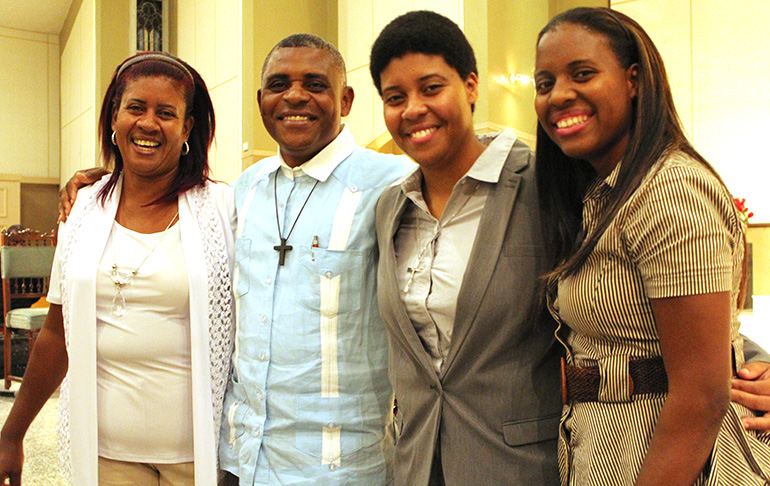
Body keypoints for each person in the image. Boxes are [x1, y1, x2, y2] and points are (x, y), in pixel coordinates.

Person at [534, 7, 770, 485]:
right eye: (544, 83)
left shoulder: (671, 189)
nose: (559, 95)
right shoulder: (600, 194)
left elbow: (701, 393)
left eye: (582, 74)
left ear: (634, 80)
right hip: (608, 453)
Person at [0, 52, 235, 486]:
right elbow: (56, 332)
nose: (149, 123)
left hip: (199, 454)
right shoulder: (83, 208)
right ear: (113, 117)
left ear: (186, 128)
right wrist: (11, 434)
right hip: (105, 454)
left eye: (167, 113)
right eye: (136, 108)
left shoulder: (223, 208)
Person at [369, 11, 561, 485]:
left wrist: (754, 365)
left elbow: (616, 296)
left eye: (431, 88)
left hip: (518, 466)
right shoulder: (391, 209)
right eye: (395, 98)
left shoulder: (542, 186)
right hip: (418, 464)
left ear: (471, 86)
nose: (413, 109)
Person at [216, 35, 413, 485]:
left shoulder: (393, 182)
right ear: (262, 99)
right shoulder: (248, 186)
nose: (295, 95)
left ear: (345, 100)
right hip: (243, 456)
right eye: (279, 83)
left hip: (340, 467)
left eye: (315, 84)